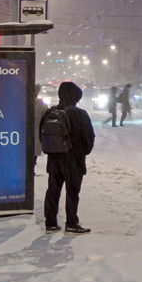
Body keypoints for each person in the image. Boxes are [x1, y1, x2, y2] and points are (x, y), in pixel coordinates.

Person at [43, 81, 95, 234]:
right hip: (73, 160)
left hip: (54, 160)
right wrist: (82, 152)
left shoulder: (50, 112)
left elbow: (44, 136)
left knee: (53, 191)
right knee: (72, 193)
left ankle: (50, 224)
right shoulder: (79, 114)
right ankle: (71, 223)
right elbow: (88, 138)